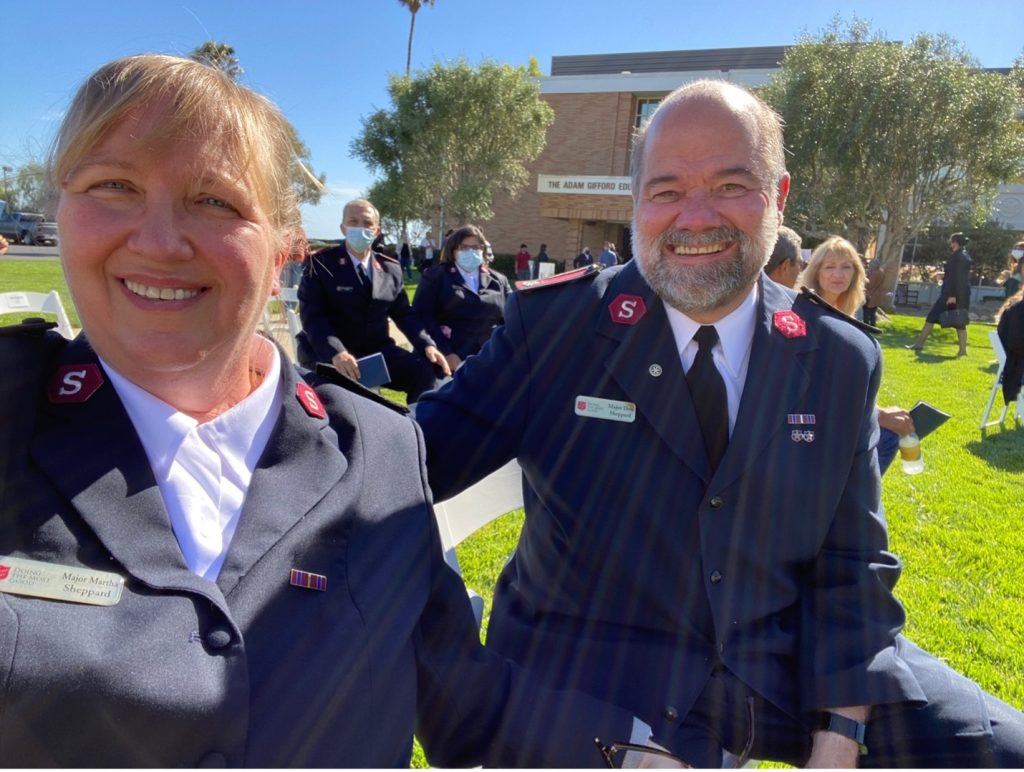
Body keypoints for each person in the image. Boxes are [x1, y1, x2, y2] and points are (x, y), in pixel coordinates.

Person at [0, 53, 650, 768]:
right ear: (60, 205)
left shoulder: (378, 448)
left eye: (214, 200)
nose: (158, 241)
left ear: (287, 246)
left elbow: (467, 701)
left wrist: (639, 753)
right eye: (114, 185)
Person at [415, 79, 1024, 767]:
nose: (695, 217)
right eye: (667, 191)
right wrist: (471, 685)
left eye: (732, 185)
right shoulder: (554, 328)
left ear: (780, 196)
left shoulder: (838, 357)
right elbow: (385, 479)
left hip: (777, 665)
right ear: (636, 202)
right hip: (590, 679)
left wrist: (842, 733)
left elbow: (852, 560)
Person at [296, 198, 449, 402]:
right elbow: (314, 317)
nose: (361, 228)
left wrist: (427, 345)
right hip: (329, 355)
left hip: (376, 354)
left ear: (377, 231)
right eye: (353, 221)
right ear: (343, 228)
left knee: (426, 371)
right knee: (343, 400)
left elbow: (404, 314)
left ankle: (414, 428)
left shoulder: (390, 269)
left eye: (368, 223)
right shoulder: (321, 263)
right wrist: (336, 352)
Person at [799, 236, 914, 475]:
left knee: (899, 422)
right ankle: (854, 500)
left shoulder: (846, 314)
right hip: (808, 424)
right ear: (816, 272)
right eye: (829, 267)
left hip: (838, 416)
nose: (838, 274)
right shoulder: (807, 313)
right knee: (889, 434)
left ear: (856, 273)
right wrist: (878, 416)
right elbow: (818, 389)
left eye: (846, 266)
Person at [412, 225, 512, 374]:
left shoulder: (499, 280)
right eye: (464, 247)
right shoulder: (436, 277)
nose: (470, 252)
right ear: (453, 250)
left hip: (490, 360)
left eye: (475, 247)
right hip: (449, 360)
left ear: (483, 249)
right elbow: (422, 317)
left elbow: (511, 317)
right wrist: (445, 352)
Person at [906, 232, 972, 357]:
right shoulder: (964, 255)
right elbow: (957, 275)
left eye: (951, 241)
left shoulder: (958, 257)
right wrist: (943, 274)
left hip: (951, 294)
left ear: (955, 242)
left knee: (932, 317)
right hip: (961, 294)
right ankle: (963, 351)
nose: (950, 243)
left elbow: (956, 277)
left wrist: (952, 295)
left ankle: (919, 344)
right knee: (960, 321)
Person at [278, 228, 306, 311]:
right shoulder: (298, 231)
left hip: (293, 261)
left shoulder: (296, 231)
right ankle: (288, 311)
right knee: (288, 286)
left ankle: (289, 311)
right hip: (291, 261)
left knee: (292, 286)